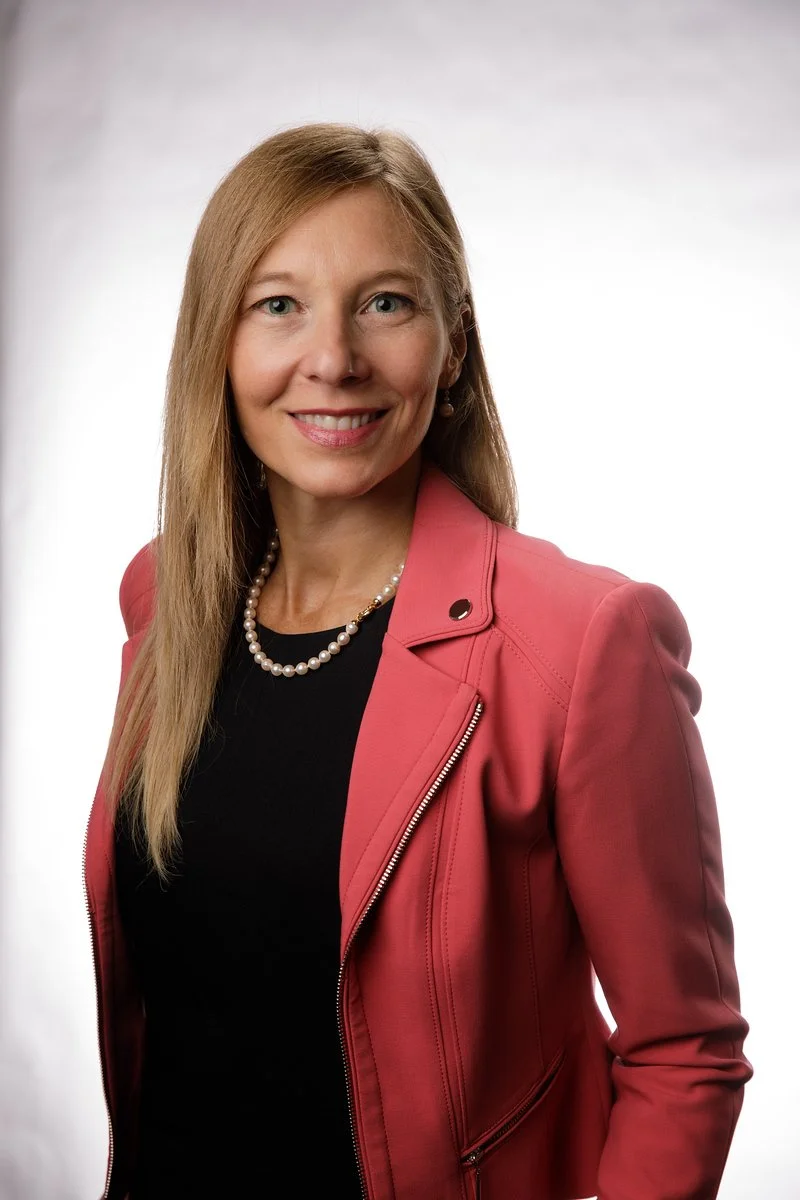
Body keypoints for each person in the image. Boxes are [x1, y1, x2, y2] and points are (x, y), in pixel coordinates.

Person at [83, 123, 752, 1200]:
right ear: (217, 343)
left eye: (385, 302)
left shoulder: (582, 641)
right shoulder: (169, 598)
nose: (334, 357)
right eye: (277, 304)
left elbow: (686, 1052)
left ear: (452, 347)